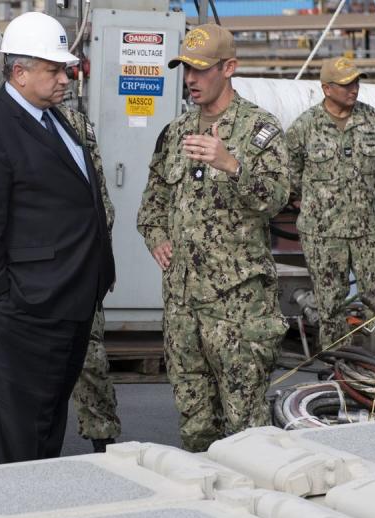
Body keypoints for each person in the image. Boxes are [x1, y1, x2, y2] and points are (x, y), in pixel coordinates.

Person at [0, 12, 115, 463]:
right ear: (19, 72)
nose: (65, 78)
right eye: (54, 70)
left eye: (64, 68)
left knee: (48, 423)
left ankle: (41, 501)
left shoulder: (54, 120)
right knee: (24, 431)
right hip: (26, 307)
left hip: (69, 299)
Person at [137, 24, 289, 452]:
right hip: (183, 304)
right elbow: (152, 205)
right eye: (186, 68)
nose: (191, 79)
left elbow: (276, 199)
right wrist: (157, 238)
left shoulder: (260, 128)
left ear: (230, 68)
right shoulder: (175, 133)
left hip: (236, 307)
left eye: (201, 70)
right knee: (195, 424)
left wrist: (233, 165)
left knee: (246, 425)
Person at [0, 147, 120, 456]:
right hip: (22, 282)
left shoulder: (72, 128)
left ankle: (102, 441)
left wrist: (97, 265)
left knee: (87, 360)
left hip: (75, 276)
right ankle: (29, 462)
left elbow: (99, 205)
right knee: (21, 381)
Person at [285, 56, 375, 348]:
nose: (353, 89)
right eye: (346, 84)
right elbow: (291, 175)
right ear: (326, 89)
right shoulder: (303, 128)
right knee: (330, 305)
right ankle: (338, 366)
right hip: (323, 233)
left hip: (368, 231)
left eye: (356, 82)